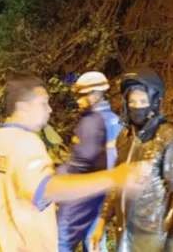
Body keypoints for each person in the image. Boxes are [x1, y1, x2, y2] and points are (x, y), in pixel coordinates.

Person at [0, 74, 145, 252]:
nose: (50, 110)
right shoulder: (26, 143)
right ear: (23, 108)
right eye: (43, 103)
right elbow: (47, 189)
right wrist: (114, 178)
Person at [90, 67, 173, 252]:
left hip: (153, 236)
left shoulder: (171, 139)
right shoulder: (125, 137)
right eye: (132, 101)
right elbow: (117, 181)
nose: (137, 106)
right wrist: (102, 219)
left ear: (155, 102)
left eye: (143, 101)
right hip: (124, 231)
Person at [57, 71, 122, 252]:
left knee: (73, 240)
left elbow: (101, 160)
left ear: (94, 95)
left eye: (81, 95)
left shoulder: (99, 122)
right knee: (92, 240)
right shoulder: (109, 121)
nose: (77, 100)